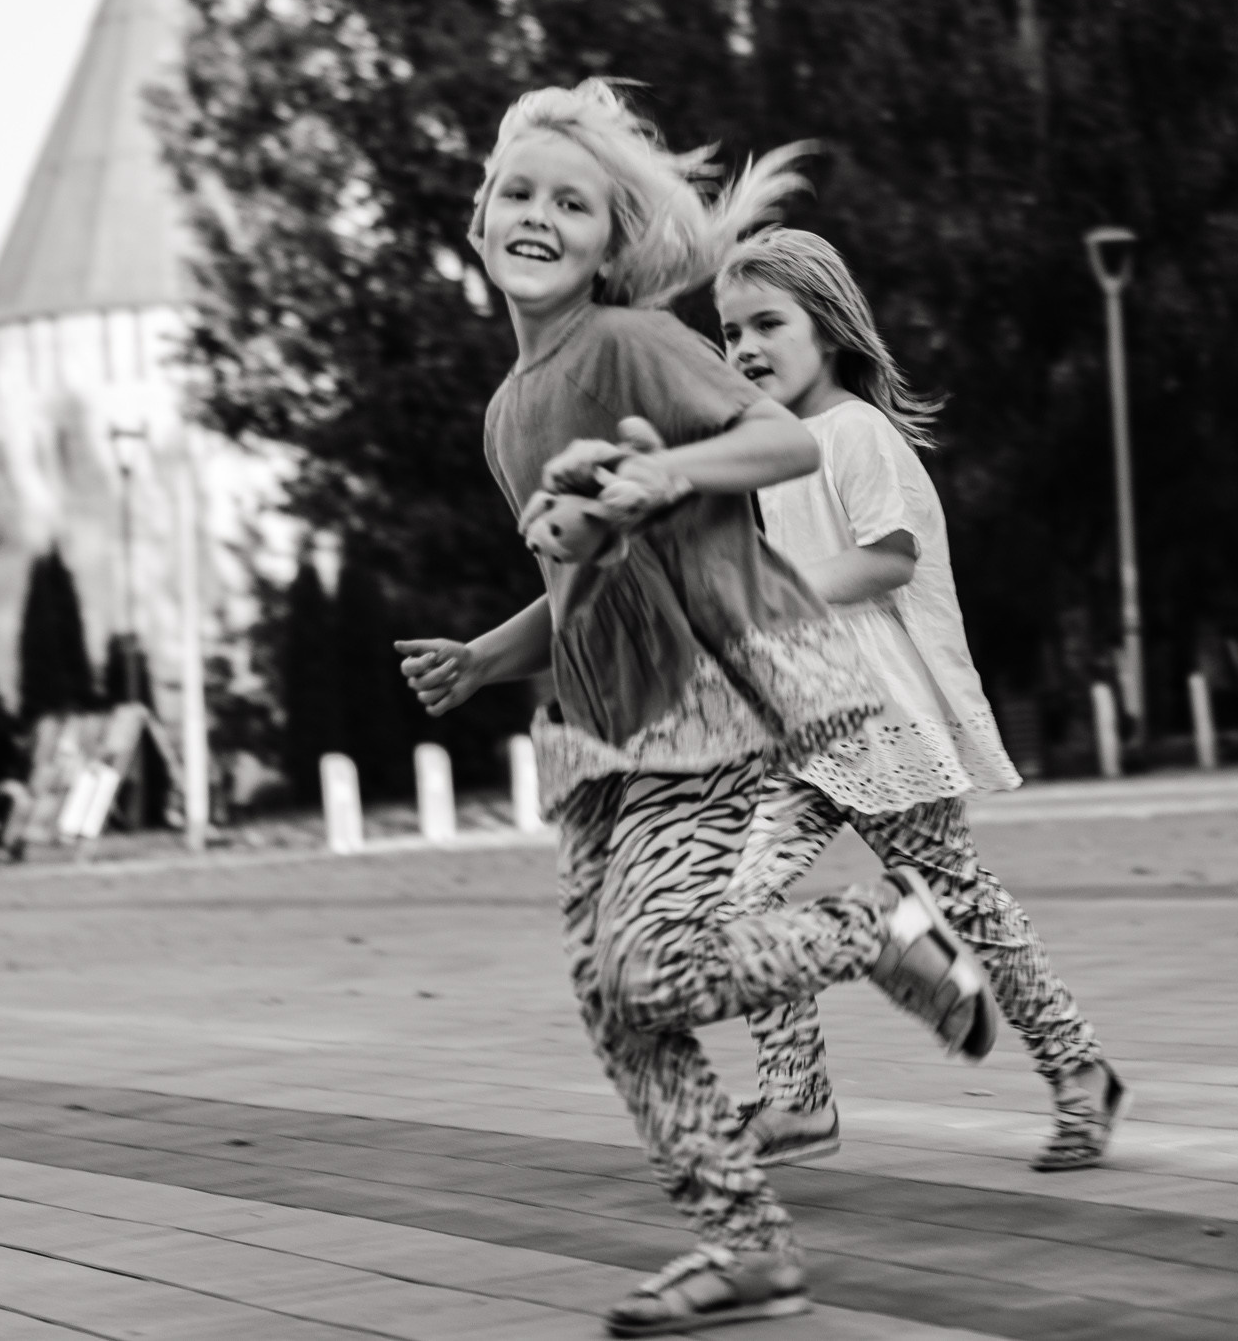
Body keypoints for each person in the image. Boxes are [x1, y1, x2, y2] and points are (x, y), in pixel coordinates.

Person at [395, 82, 997, 1337]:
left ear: (615, 241)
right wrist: (482, 658)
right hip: (607, 732)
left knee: (655, 961)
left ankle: (870, 932)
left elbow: (783, 445)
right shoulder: (509, 409)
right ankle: (746, 1247)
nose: (541, 218)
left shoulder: (631, 346)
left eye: (576, 203)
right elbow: (576, 587)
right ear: (479, 214)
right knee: (616, 1001)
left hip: (715, 699)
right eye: (521, 193)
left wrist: (662, 471)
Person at [713, 228, 1129, 1173]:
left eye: (767, 323)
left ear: (827, 325)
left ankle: (1078, 1070)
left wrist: (773, 589)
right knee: (737, 901)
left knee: (967, 903)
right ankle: (796, 1098)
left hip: (881, 720)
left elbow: (887, 557)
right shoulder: (771, 447)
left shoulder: (856, 430)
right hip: (805, 719)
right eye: (730, 329)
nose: (744, 346)